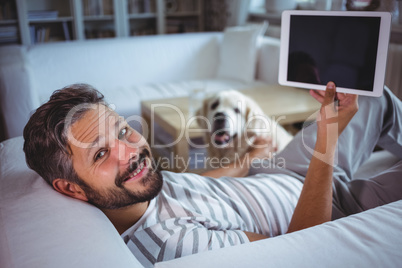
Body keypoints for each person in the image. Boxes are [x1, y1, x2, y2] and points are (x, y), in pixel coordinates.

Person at [23, 82, 402, 267]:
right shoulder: (173, 244)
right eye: (102, 153)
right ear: (70, 188)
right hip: (327, 206)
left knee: (369, 94)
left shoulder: (138, 189)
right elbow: (303, 247)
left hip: (282, 173)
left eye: (123, 130)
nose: (131, 150)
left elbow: (203, 185)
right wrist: (326, 143)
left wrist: (252, 158)